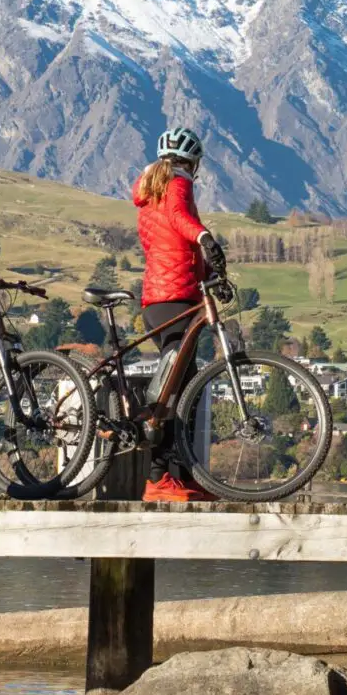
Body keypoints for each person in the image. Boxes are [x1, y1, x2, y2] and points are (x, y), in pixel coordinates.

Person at [132, 126, 225, 502]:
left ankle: (183, 475)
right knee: (175, 392)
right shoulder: (177, 183)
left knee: (184, 388)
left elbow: (171, 246)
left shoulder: (150, 191)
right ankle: (159, 479)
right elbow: (179, 221)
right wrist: (205, 238)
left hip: (160, 297)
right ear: (194, 162)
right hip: (177, 298)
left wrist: (208, 270)